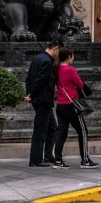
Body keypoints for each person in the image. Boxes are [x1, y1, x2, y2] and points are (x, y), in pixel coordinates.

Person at [50, 48, 99, 168]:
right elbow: (80, 84)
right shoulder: (70, 70)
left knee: (61, 133)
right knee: (83, 131)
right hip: (72, 105)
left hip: (60, 105)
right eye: (72, 56)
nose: (73, 58)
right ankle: (85, 160)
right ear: (69, 57)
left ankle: (58, 160)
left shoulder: (56, 69)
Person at [25, 39, 61, 167]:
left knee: (53, 128)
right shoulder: (47, 61)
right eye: (59, 51)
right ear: (56, 48)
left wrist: (29, 93)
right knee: (40, 131)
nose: (59, 55)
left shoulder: (37, 58)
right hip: (43, 100)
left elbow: (29, 78)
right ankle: (35, 160)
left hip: (40, 99)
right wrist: (32, 95)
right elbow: (40, 81)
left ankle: (48, 156)